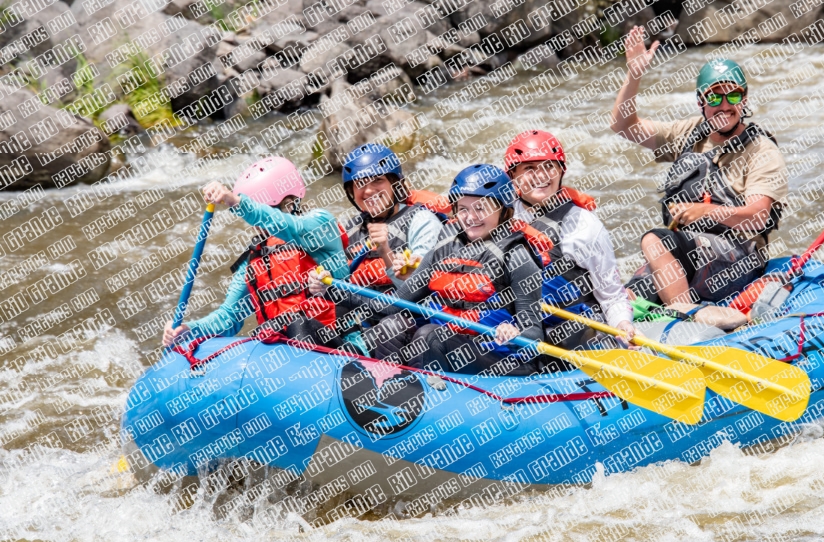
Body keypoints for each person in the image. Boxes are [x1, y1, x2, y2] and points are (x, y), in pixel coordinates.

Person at [611, 26, 788, 321]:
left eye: (733, 96)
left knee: (655, 240)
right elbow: (624, 126)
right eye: (714, 97)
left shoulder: (761, 150)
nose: (725, 105)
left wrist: (707, 212)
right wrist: (634, 74)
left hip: (737, 257)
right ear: (700, 102)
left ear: (744, 100)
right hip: (685, 252)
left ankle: (686, 322)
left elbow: (757, 215)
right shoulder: (689, 133)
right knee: (623, 298)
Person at [315, 164, 545, 376]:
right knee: (392, 325)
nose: (471, 217)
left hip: (498, 356)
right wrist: (334, 292)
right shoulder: (443, 247)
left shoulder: (517, 257)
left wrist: (513, 332)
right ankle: (388, 387)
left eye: (481, 208)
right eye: (463, 209)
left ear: (504, 211)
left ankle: (432, 401)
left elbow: (533, 333)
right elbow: (396, 304)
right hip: (449, 344)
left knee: (429, 336)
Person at [162, 156, 364, 353]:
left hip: (341, 348)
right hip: (284, 353)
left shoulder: (320, 224)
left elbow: (290, 227)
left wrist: (236, 202)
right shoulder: (257, 258)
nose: (256, 225)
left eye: (266, 210)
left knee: (297, 326)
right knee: (266, 334)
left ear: (289, 202)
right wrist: (187, 330)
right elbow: (229, 316)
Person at [503, 129, 635, 351]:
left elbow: (611, 296)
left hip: (569, 330)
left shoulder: (584, 225)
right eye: (529, 169)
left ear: (560, 172)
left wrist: (623, 325)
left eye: (549, 166)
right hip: (511, 327)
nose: (541, 176)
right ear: (512, 175)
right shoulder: (495, 217)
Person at [314, 143, 447, 358]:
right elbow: (341, 283)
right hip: (367, 325)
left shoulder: (421, 221)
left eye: (378, 180)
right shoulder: (352, 228)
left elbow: (416, 292)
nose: (368, 191)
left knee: (391, 326)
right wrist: (321, 281)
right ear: (351, 192)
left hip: (412, 328)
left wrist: (386, 251)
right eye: (359, 184)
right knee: (315, 318)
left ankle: (394, 386)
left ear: (395, 185)